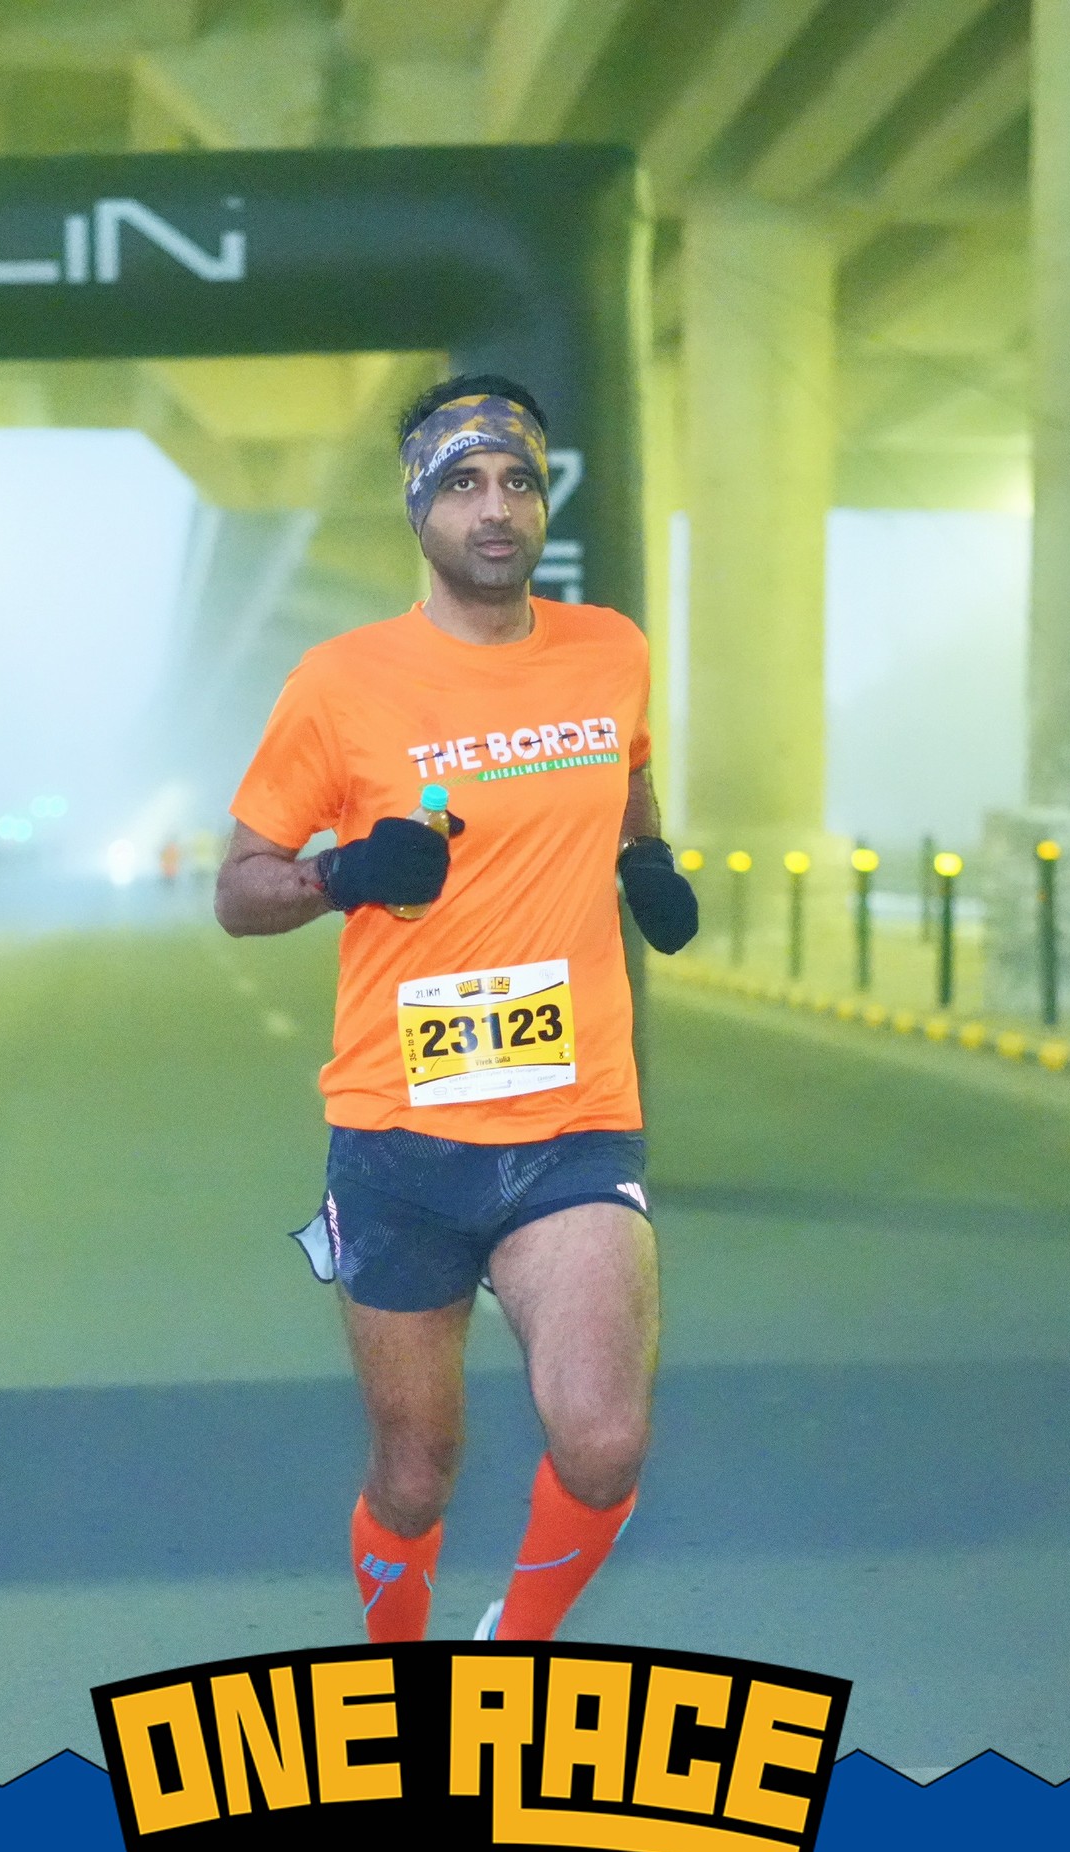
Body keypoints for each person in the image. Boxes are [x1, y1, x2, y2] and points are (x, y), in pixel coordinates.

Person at [215, 374, 700, 1644]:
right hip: (400, 1137)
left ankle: (510, 1655)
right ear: (418, 506)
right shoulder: (341, 682)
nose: (496, 508)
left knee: (604, 1439)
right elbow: (239, 889)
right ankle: (398, 1674)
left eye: (519, 481)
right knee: (415, 1470)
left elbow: (628, 772)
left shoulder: (610, 650)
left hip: (574, 1121)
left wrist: (645, 857)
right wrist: (343, 873)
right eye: (465, 483)